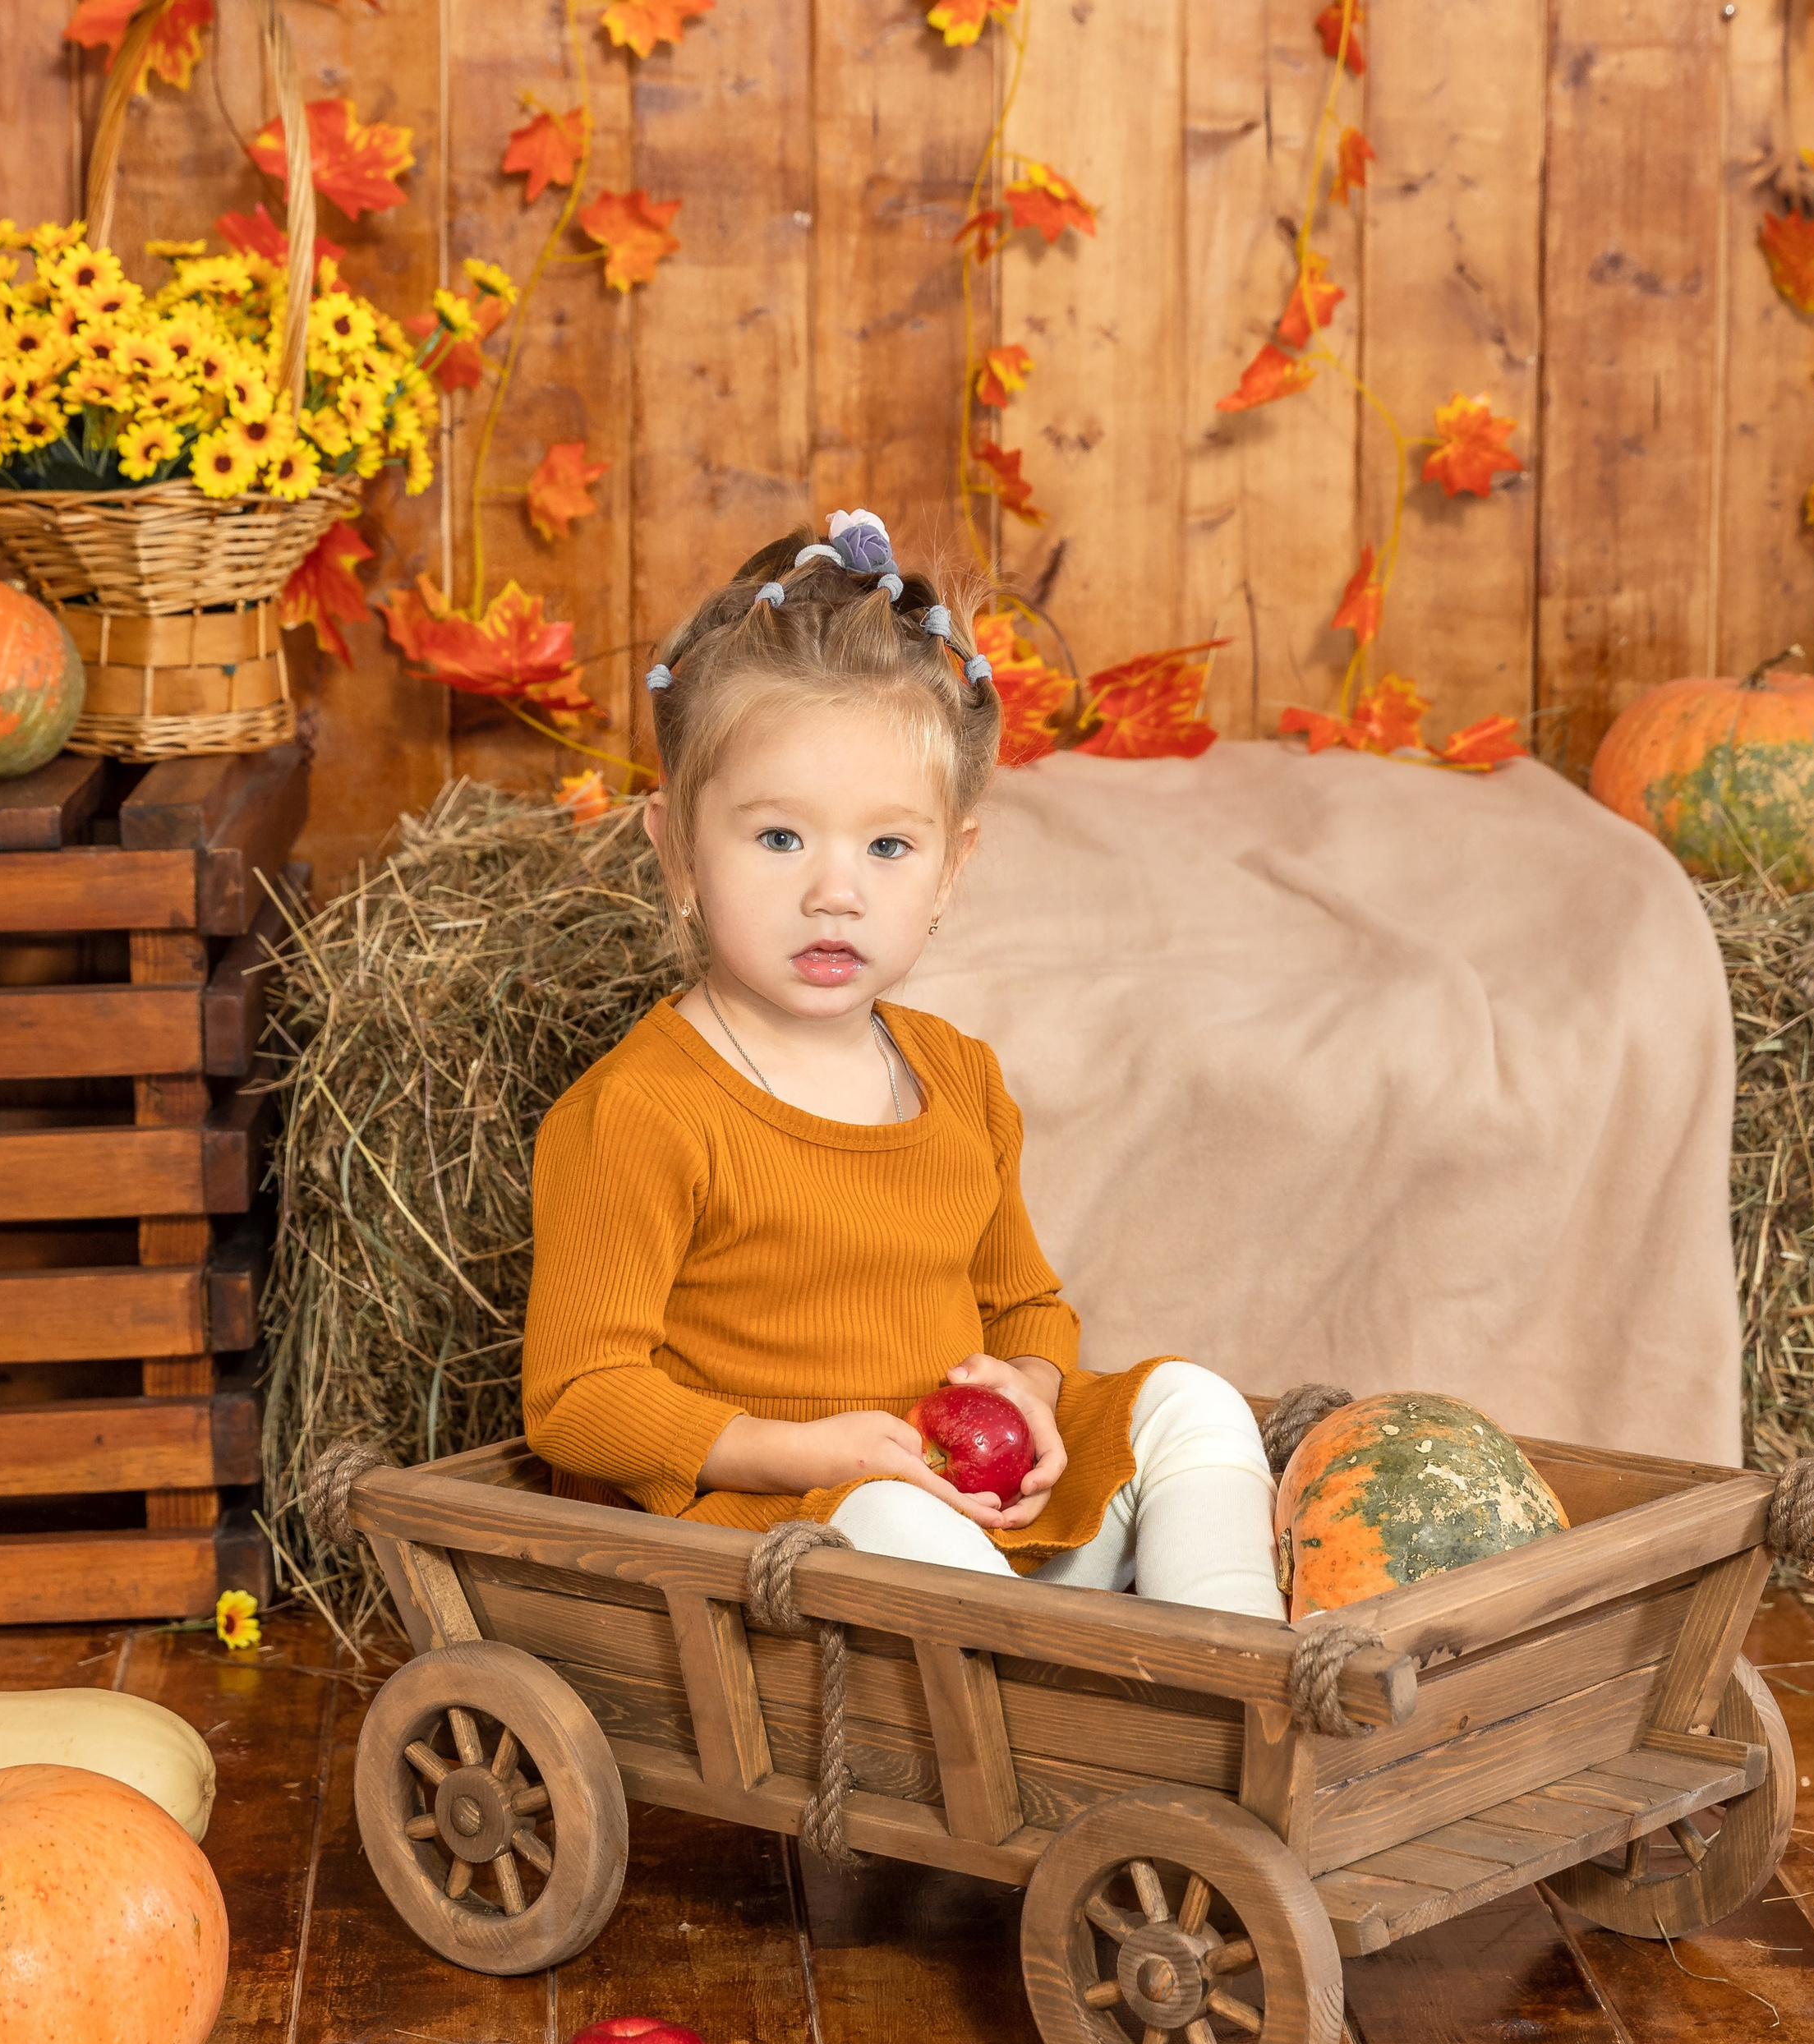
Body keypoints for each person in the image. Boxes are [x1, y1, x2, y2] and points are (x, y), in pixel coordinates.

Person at [521, 509, 1285, 1620]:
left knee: (1193, 1401)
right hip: (790, 1532)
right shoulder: (640, 1112)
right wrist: (792, 1450)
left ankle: (1229, 1670)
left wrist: (1024, 1390)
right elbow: (580, 1401)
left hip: (975, 1525)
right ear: (678, 850)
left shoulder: (958, 1075)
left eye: (888, 847)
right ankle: (1063, 1691)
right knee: (887, 1515)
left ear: (949, 871)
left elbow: (1022, 1301)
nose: (837, 890)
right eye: (780, 838)